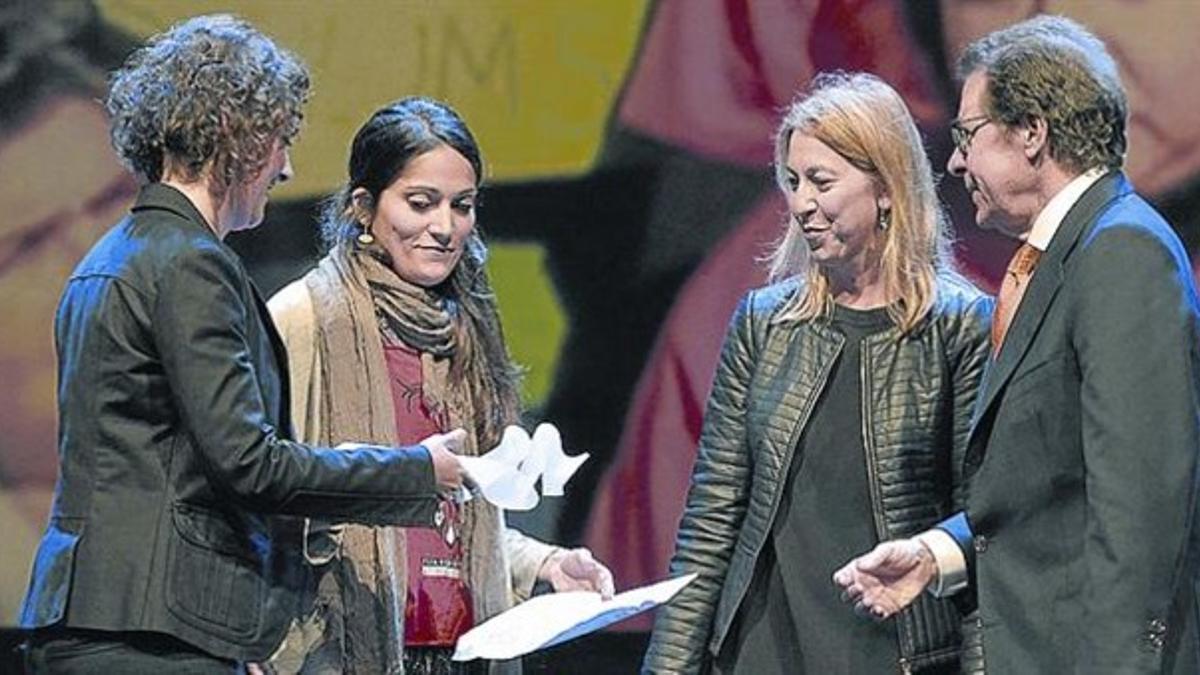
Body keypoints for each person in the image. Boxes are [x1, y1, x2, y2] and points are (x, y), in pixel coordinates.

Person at [17, 15, 471, 673]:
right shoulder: (191, 263)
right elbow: (249, 463)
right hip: (149, 638)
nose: (286, 167)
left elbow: (172, 460)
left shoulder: (107, 259)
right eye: (281, 139)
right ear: (237, 133)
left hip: (103, 621)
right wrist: (415, 469)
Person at [834, 16, 1200, 673]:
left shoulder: (1121, 252)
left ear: (1033, 133)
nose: (953, 161)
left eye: (968, 135)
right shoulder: (1064, 255)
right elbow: (1047, 490)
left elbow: (1139, 510)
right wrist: (936, 554)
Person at [641, 72, 992, 674]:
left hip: (894, 652)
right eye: (794, 181)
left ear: (885, 188)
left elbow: (982, 519)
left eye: (821, 182)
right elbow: (712, 516)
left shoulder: (959, 327)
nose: (801, 201)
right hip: (763, 651)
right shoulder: (765, 322)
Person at [266, 96, 615, 675]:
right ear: (363, 206)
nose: (444, 227)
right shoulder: (303, 319)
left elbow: (457, 526)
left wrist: (546, 565)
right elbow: (264, 495)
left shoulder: (465, 328)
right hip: (338, 650)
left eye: (462, 206)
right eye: (421, 203)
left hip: (459, 653)